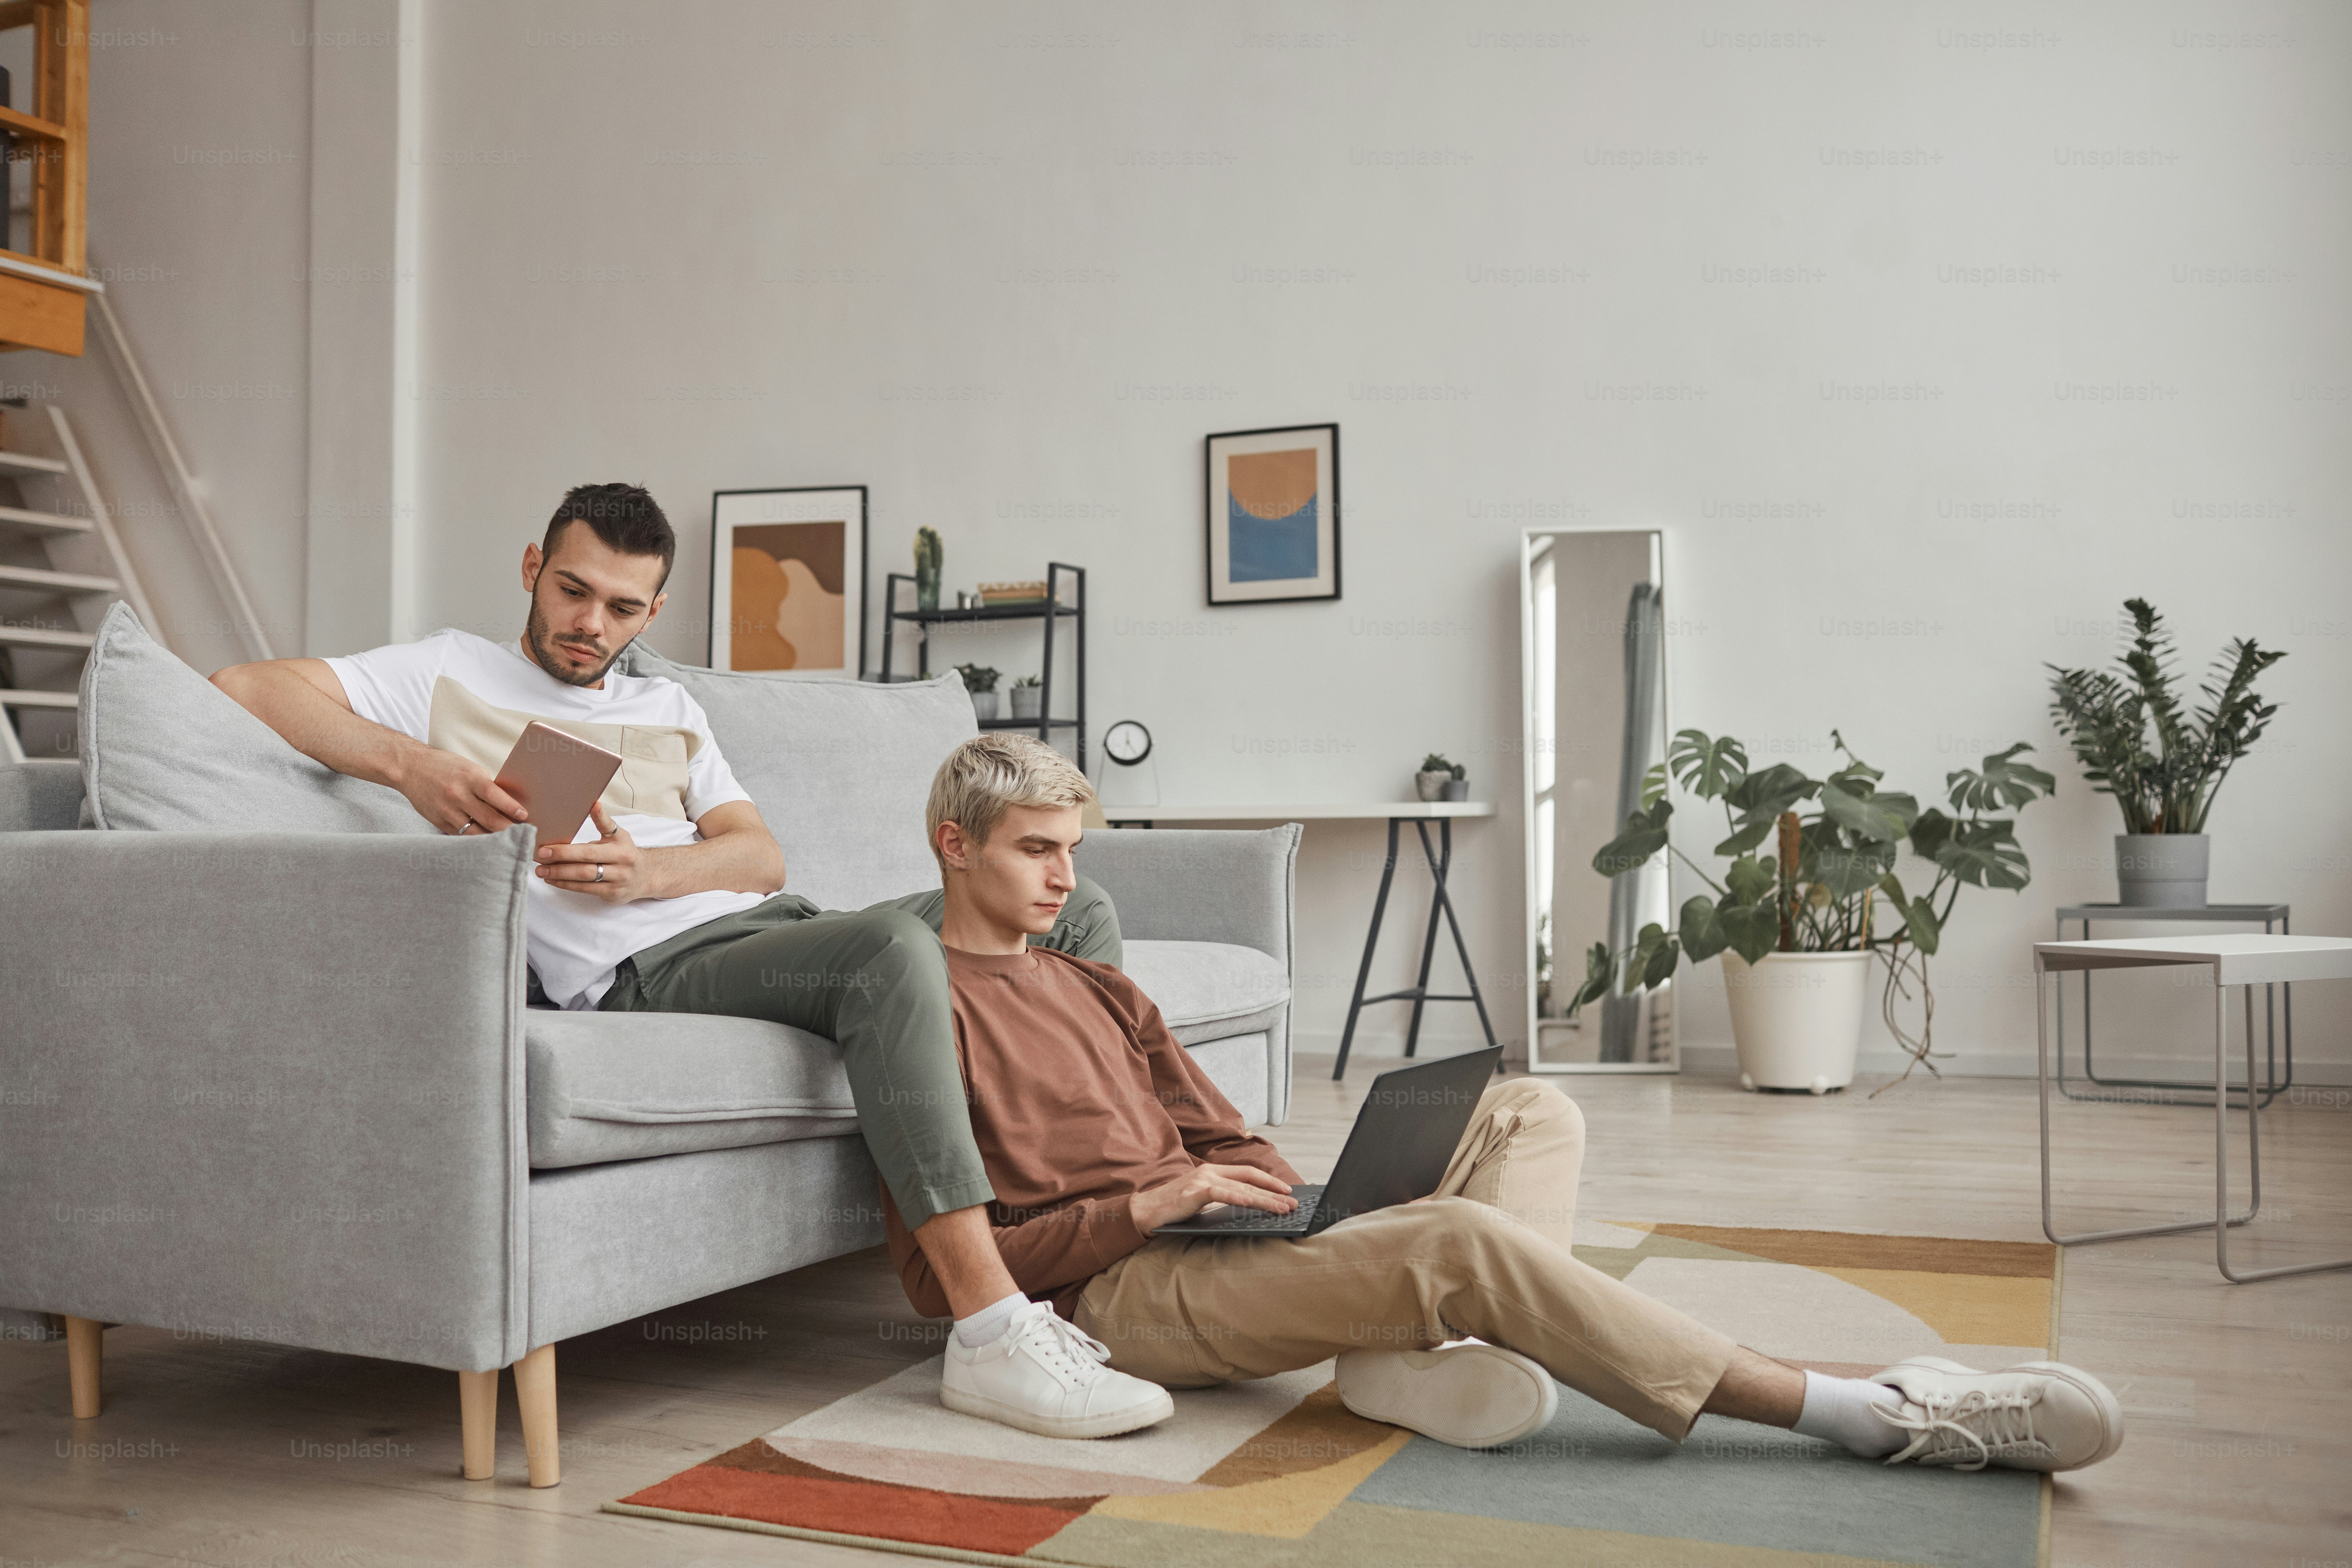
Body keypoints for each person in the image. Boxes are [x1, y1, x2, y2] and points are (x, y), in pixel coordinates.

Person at [884, 731, 2128, 1473]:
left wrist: (1290, 1196)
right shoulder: (913, 1002)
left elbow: (1226, 1136)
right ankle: (1861, 1411)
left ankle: (1423, 1352)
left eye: (1073, 850)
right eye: (1035, 850)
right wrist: (1162, 1198)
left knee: (1532, 1110)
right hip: (1118, 1299)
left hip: (1219, 1243)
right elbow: (953, 1283)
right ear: (955, 844)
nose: (1065, 876)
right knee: (1462, 1241)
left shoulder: (1098, 984)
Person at [209, 482, 1100, 1433]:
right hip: (650, 973)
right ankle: (991, 1329)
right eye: (571, 591)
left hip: (763, 926)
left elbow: (760, 856)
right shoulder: (448, 672)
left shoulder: (668, 702)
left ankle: (1114, 1228)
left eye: (622, 608)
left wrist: (651, 871)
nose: (590, 624)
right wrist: (411, 767)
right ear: (531, 571)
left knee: (1075, 908)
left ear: (655, 611)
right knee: (893, 945)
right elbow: (245, 687)